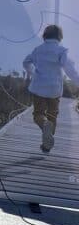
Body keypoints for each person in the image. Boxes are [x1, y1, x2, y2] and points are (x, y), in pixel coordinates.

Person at [23, 25, 79, 153]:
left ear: (44, 36)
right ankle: (47, 145)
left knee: (38, 114)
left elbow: (26, 62)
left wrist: (32, 73)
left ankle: (44, 125)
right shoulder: (61, 51)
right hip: (54, 90)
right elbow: (69, 69)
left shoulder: (38, 49)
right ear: (60, 37)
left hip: (38, 88)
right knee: (52, 115)